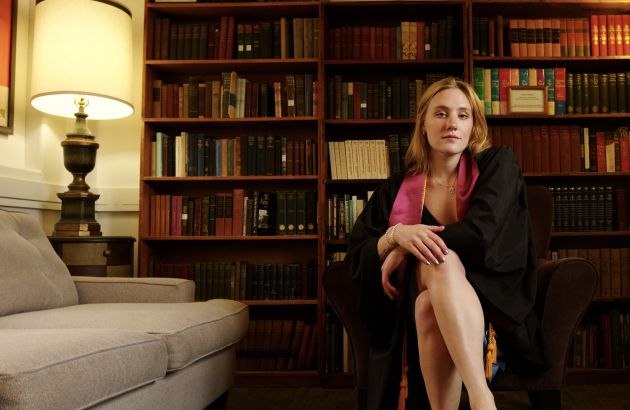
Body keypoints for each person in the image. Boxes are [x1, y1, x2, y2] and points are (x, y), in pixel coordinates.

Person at [346, 77, 549, 410]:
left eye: (463, 115)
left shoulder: (498, 166)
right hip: (409, 305)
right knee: (437, 262)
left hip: (489, 305)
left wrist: (406, 245)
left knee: (430, 297)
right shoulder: (397, 189)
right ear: (423, 124)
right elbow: (358, 251)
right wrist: (396, 235)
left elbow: (482, 236)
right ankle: (483, 399)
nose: (452, 123)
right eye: (441, 113)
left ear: (474, 127)